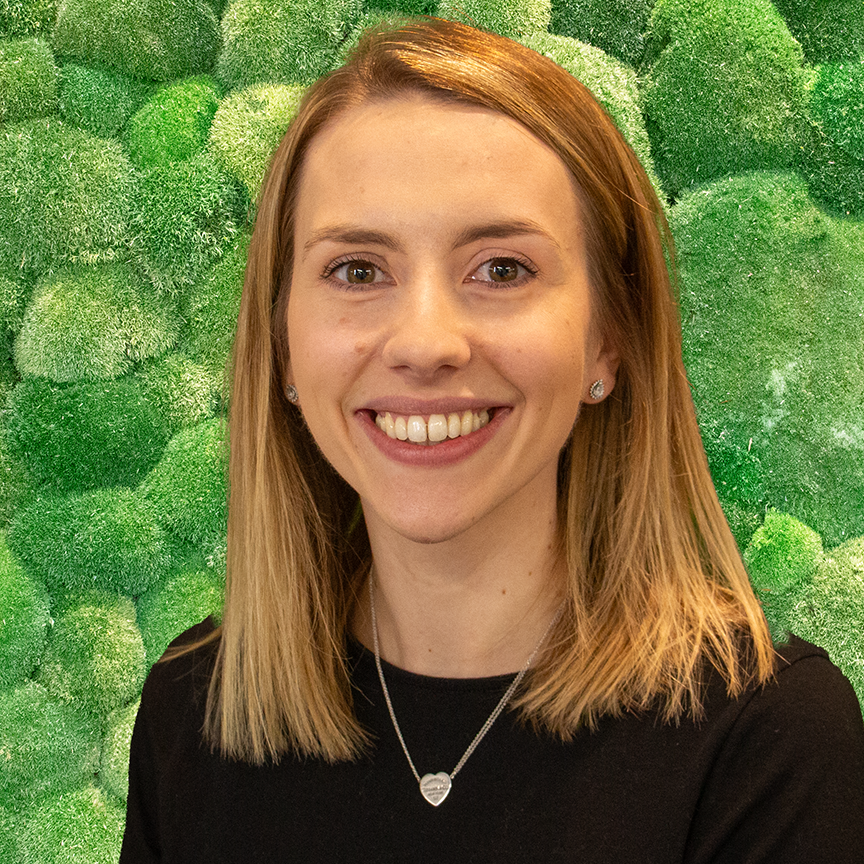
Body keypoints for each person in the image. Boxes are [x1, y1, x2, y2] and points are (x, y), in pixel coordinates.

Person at [120, 16, 864, 863]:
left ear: (608, 340)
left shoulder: (769, 742)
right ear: (284, 341)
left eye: (502, 269)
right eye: (358, 270)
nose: (425, 341)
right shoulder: (194, 709)